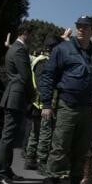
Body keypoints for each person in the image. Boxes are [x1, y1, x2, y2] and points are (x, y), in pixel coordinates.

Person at [39, 16, 92, 184]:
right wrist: (46, 103)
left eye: (85, 27)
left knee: (82, 151)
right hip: (67, 106)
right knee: (59, 148)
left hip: (88, 109)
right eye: (78, 26)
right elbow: (48, 76)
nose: (81, 29)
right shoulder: (63, 49)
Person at [0, 23, 34, 184]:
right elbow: (25, 76)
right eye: (31, 34)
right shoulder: (19, 50)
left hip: (14, 96)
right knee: (8, 137)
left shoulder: (15, 48)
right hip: (16, 97)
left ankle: (6, 170)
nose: (32, 38)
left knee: (10, 136)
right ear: (25, 33)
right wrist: (32, 94)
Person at [23, 34, 63, 171]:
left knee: (35, 133)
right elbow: (43, 84)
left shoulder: (41, 60)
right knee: (44, 133)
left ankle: (30, 158)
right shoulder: (44, 62)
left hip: (38, 102)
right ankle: (42, 161)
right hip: (42, 103)